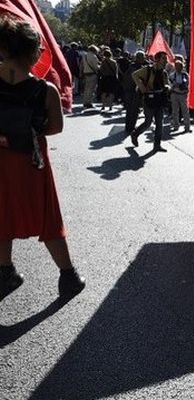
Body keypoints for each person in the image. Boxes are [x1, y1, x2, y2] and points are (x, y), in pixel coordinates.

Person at [0, 16, 85, 299]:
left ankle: (5, 272)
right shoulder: (45, 89)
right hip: (32, 160)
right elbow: (56, 128)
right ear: (34, 52)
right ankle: (68, 277)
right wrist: (29, 132)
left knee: (2, 213)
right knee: (47, 216)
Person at [130, 51, 170, 152]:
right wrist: (142, 88)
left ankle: (157, 145)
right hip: (149, 99)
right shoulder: (148, 69)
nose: (166, 61)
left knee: (159, 123)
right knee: (148, 122)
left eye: (166, 59)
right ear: (157, 59)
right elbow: (134, 75)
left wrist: (167, 87)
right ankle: (135, 134)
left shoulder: (164, 72)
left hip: (160, 100)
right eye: (163, 58)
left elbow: (168, 84)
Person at [123, 51, 146, 135]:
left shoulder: (131, 66)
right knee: (133, 110)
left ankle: (128, 126)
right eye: (143, 57)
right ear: (139, 58)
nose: (144, 59)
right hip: (134, 91)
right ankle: (131, 126)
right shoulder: (138, 68)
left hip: (129, 91)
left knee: (130, 109)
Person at [169, 60, 191, 133]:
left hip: (183, 95)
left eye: (179, 66)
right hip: (174, 94)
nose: (178, 68)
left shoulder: (185, 75)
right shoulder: (172, 75)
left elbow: (188, 84)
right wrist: (174, 85)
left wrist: (183, 86)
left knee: (185, 111)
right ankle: (176, 125)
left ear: (182, 67)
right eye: (177, 66)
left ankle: (187, 127)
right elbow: (170, 85)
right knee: (175, 111)